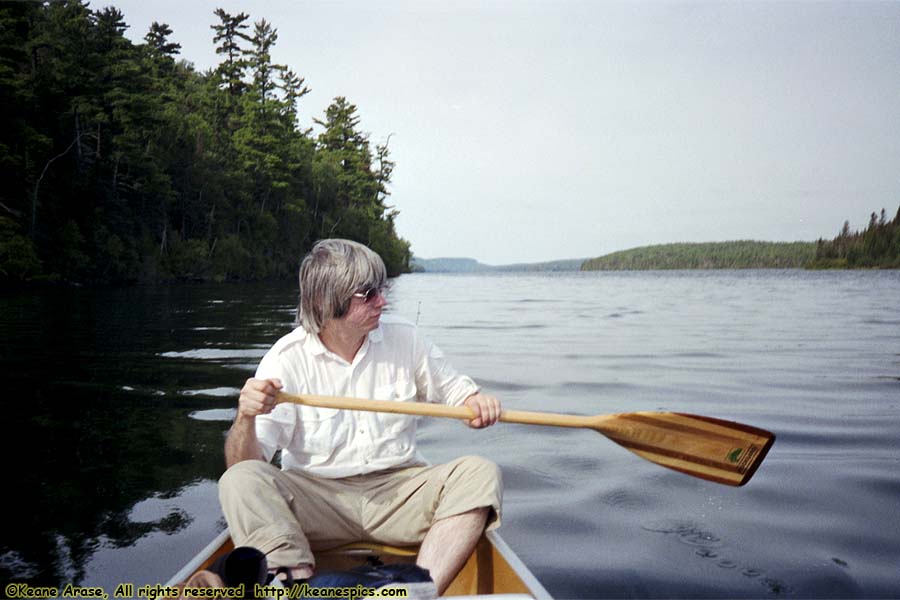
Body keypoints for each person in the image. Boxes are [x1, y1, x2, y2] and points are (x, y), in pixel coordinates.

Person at [218, 238, 503, 595]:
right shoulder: (285, 358)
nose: (382, 301)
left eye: (381, 290)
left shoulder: (406, 339)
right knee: (239, 480)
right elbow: (247, 464)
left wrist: (477, 402)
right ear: (327, 301)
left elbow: (459, 393)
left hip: (399, 492)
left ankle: (418, 591)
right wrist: (245, 416)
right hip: (318, 502)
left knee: (479, 473)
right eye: (368, 294)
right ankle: (292, 582)